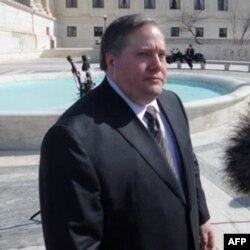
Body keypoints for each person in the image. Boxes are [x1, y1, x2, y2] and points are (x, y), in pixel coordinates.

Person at [39, 14, 215, 250]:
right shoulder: (72, 138)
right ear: (111, 61)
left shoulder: (172, 103)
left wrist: (201, 217)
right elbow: (76, 242)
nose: (158, 64)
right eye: (144, 54)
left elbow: (189, 163)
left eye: (162, 55)